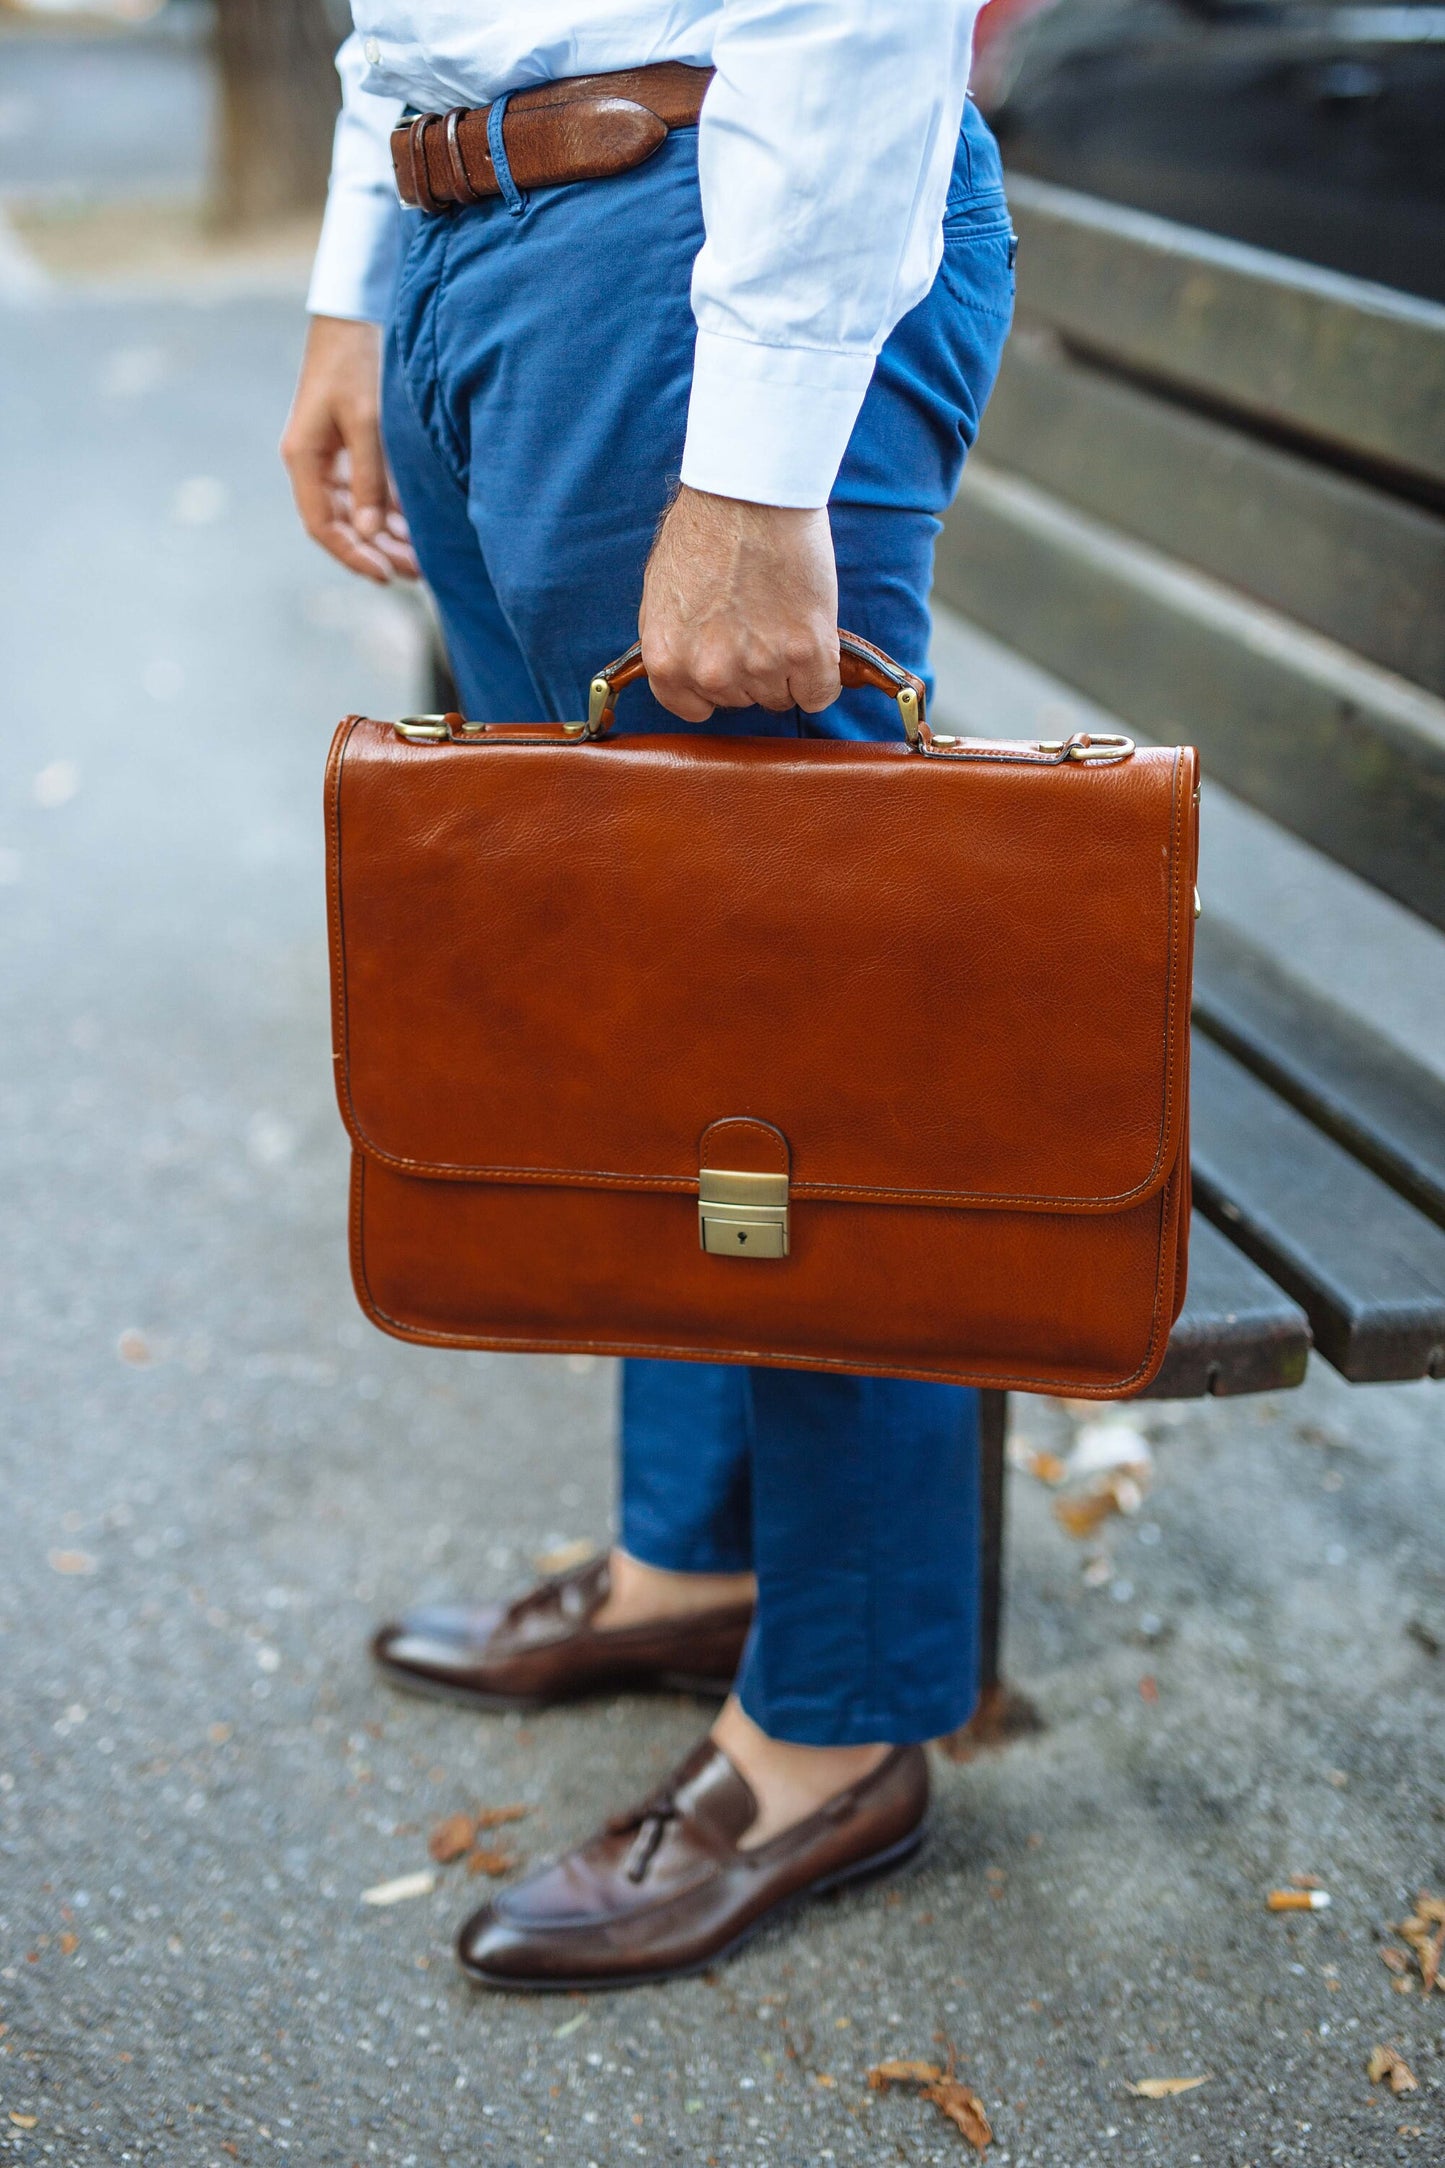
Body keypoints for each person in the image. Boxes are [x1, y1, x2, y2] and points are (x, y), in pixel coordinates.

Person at [283, 0, 1014, 1992]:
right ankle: (699, 1559)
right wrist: (368, 282)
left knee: (799, 1055)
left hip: (702, 250)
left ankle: (842, 1724)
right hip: (489, 239)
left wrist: (765, 467)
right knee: (647, 1019)